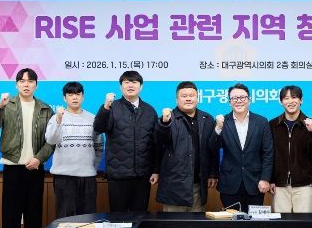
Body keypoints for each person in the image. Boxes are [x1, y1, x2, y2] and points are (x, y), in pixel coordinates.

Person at [0, 68, 54, 228]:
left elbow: (51, 140)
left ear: (36, 85)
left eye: (30, 81)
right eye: (22, 81)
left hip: (35, 168)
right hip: (12, 168)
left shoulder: (45, 109)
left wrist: (39, 158)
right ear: (16, 84)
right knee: (10, 218)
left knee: (34, 217)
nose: (26, 84)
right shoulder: (7, 105)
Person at [93, 70, 158, 212]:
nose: (130, 85)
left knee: (139, 216)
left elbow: (155, 144)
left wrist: (155, 170)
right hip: (118, 175)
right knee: (118, 217)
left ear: (141, 86)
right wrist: (106, 107)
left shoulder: (150, 111)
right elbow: (99, 127)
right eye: (126, 82)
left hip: (143, 176)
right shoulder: (111, 107)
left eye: (134, 82)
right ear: (120, 86)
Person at [155, 81, 219, 212]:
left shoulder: (207, 119)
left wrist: (212, 173)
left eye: (191, 95)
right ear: (177, 99)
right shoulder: (168, 118)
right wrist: (164, 123)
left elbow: (212, 149)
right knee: (173, 223)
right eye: (184, 96)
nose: (188, 99)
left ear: (197, 98)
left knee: (196, 223)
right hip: (174, 186)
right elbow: (159, 143)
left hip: (198, 185)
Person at [211, 83, 274, 212]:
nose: (239, 101)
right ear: (229, 102)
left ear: (249, 100)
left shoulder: (261, 122)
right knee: (232, 221)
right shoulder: (222, 121)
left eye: (242, 97)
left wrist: (265, 178)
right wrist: (218, 129)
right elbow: (212, 147)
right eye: (234, 98)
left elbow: (268, 153)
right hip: (229, 183)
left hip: (255, 183)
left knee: (254, 221)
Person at [45, 82, 103, 219]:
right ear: (64, 98)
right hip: (64, 177)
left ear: (83, 97)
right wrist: (58, 121)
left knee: (88, 219)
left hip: (88, 176)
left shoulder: (92, 118)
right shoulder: (56, 117)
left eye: (78, 94)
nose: (75, 97)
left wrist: (92, 168)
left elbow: (99, 146)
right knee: (65, 219)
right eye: (70, 94)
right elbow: (51, 140)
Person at [269, 85, 312, 213]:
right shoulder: (273, 125)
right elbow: (268, 154)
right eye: (286, 98)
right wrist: (270, 179)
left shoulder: (311, 123)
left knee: (303, 222)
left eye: (294, 97)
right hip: (279, 185)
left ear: (301, 100)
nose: (290, 101)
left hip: (303, 184)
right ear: (281, 102)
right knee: (281, 223)